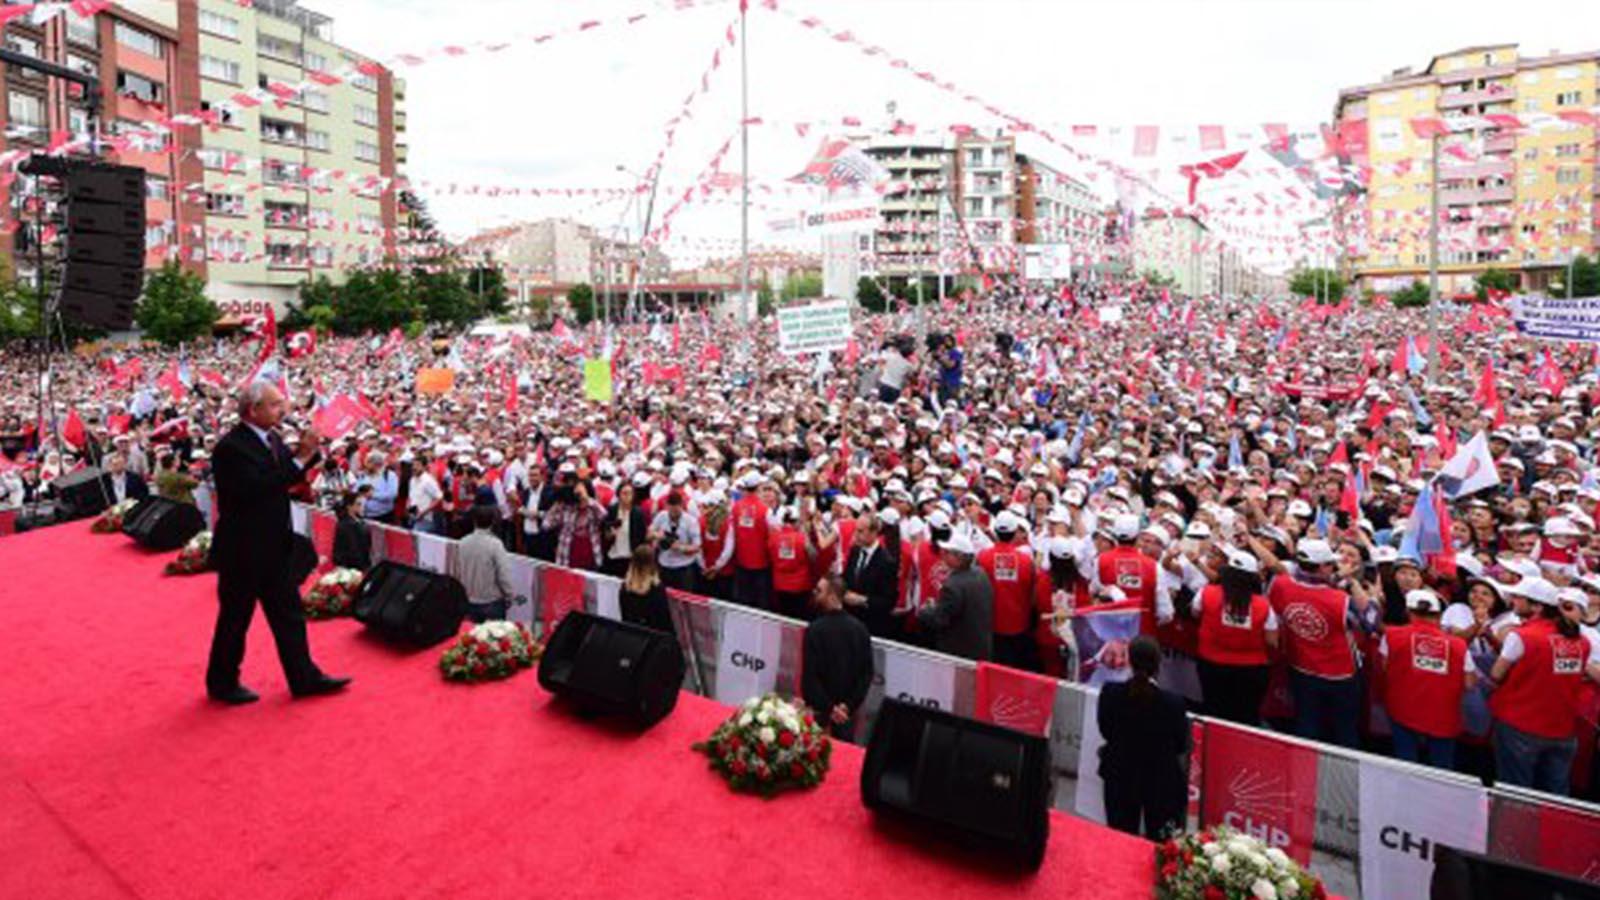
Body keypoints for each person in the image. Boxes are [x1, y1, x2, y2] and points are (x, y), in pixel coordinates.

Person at [205, 382, 349, 704]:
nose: (281, 411)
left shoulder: (272, 440)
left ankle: (304, 678)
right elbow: (260, 487)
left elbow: (289, 477)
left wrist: (310, 455)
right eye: (273, 405)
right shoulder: (232, 448)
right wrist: (300, 458)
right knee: (235, 620)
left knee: (290, 617)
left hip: (275, 546)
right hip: (243, 551)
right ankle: (222, 682)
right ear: (252, 410)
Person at [1489, 580, 1600, 794]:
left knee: (1516, 793)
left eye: (1519, 598)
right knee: (1556, 795)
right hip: (1563, 729)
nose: (1513, 601)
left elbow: (1496, 673)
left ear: (1537, 606)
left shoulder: (1522, 636)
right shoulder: (1581, 641)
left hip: (1520, 725)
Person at [1267, 538, 1375, 748]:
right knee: (1344, 731)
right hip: (1340, 674)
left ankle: (1303, 771)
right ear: (1323, 566)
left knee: (1306, 726)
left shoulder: (1281, 584)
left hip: (1301, 667)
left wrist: (1335, 578)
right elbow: (1370, 621)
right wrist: (1353, 583)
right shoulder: (1339, 600)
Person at [1098, 635, 1190, 840]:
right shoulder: (1173, 704)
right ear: (1158, 663)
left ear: (1129, 660)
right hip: (1161, 782)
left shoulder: (1110, 693)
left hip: (1120, 775)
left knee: (1119, 840)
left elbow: (1106, 730)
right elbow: (1180, 744)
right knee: (1161, 845)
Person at [1380, 588, 1475, 770]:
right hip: (1443, 717)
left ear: (1408, 612)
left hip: (1402, 710)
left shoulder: (1391, 636)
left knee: (1405, 764)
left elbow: (1385, 668)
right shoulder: (1458, 645)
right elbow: (1470, 683)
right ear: (1438, 615)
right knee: (1442, 769)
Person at [1193, 547, 1278, 725]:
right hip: (1250, 670)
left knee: (1214, 712)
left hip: (1211, 664)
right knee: (1245, 717)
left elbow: (1196, 613)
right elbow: (1272, 641)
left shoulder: (1206, 593)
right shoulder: (1263, 606)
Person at [801, 574, 874, 741]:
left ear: (832, 596)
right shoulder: (860, 630)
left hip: (821, 720)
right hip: (846, 718)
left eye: (819, 591)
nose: (814, 593)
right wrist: (847, 707)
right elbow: (866, 675)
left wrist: (831, 709)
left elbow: (810, 678)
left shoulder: (815, 630)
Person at [916, 532, 994, 661]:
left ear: (959, 557)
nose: (943, 555)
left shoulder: (953, 586)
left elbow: (940, 619)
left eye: (947, 552)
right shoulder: (980, 573)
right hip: (979, 647)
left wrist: (926, 610)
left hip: (959, 652)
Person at [842, 512, 898, 638]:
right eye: (855, 530)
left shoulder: (887, 562)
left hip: (870, 626)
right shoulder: (855, 551)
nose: (855, 535)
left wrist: (863, 600)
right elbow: (847, 578)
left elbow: (888, 601)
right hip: (849, 621)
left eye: (860, 531)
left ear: (873, 533)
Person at [456, 504, 516, 622]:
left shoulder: (463, 542)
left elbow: (457, 570)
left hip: (469, 600)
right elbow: (503, 574)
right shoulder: (495, 545)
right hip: (491, 602)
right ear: (493, 522)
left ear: (474, 521)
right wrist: (510, 595)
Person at [649, 490, 702, 592]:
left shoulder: (691, 521)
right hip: (664, 565)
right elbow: (648, 533)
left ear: (681, 505)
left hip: (683, 568)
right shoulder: (661, 516)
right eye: (671, 510)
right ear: (667, 506)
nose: (673, 513)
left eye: (676, 510)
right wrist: (656, 535)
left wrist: (680, 547)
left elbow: (697, 546)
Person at [619, 544, 675, 637]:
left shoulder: (625, 587)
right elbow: (664, 620)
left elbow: (624, 616)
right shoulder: (656, 588)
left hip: (633, 636)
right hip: (653, 638)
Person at [602, 481, 647, 579]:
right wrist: (610, 534)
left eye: (630, 493)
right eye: (624, 493)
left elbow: (642, 536)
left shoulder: (637, 513)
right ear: (619, 494)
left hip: (630, 557)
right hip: (613, 555)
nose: (627, 496)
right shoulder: (612, 510)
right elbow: (604, 532)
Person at [331, 489, 371, 571]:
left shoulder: (358, 520)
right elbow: (353, 549)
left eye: (362, 504)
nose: (362, 507)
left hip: (361, 563)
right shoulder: (346, 525)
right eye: (358, 504)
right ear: (349, 506)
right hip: (353, 567)